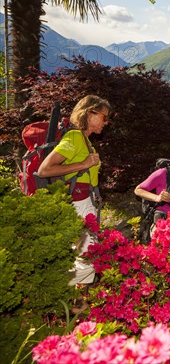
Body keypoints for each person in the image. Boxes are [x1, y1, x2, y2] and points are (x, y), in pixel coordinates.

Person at [38, 94, 111, 286]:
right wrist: (83, 163)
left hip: (84, 203)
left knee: (85, 258)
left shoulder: (85, 141)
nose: (106, 121)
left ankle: (75, 303)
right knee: (87, 260)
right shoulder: (74, 137)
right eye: (104, 116)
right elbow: (44, 169)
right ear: (90, 113)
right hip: (78, 204)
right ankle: (56, 286)